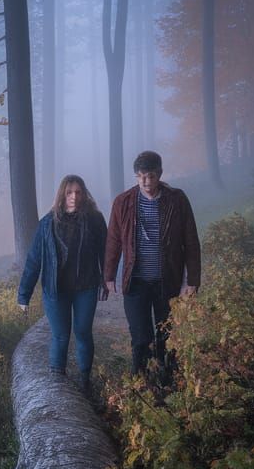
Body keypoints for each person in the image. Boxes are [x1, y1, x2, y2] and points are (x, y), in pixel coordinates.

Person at [104, 150, 201, 381]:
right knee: (140, 338)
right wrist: (108, 275)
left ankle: (169, 385)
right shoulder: (123, 202)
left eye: (151, 176)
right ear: (136, 176)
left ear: (160, 174)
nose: (147, 182)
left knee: (166, 335)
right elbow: (114, 240)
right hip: (135, 283)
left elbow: (191, 240)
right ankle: (141, 386)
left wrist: (193, 281)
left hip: (167, 281)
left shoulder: (177, 200)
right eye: (142, 177)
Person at [18, 175, 109, 396]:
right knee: (60, 336)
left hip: (85, 287)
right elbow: (34, 260)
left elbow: (105, 253)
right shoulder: (47, 223)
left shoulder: (95, 219)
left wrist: (106, 280)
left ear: (84, 194)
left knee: (83, 333)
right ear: (62, 195)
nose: (74, 197)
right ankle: (57, 384)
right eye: (69, 192)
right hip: (55, 290)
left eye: (78, 192)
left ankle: (84, 381)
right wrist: (24, 295)